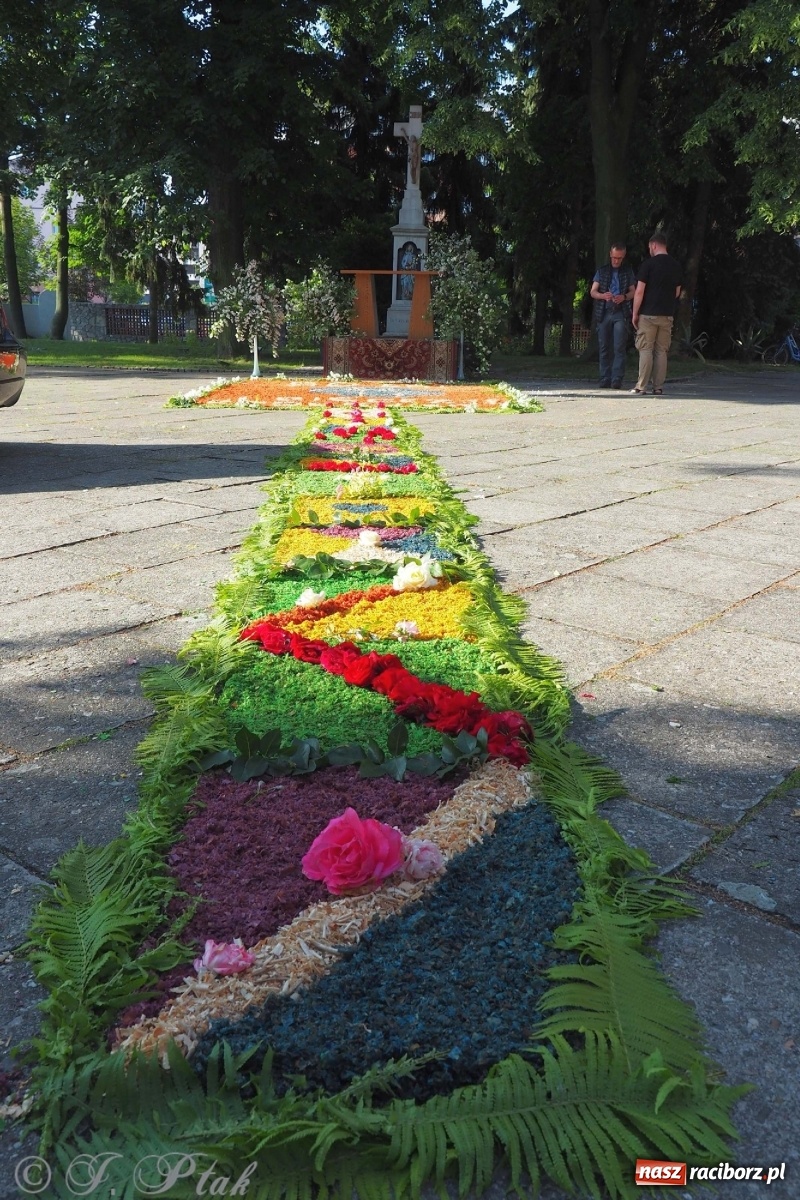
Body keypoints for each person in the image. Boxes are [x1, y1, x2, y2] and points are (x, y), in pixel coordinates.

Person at [631, 231, 683, 395]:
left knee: (645, 349)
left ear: (653, 245)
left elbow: (639, 292)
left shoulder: (648, 265)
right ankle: (658, 387)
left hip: (648, 314)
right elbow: (677, 292)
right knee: (661, 351)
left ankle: (641, 386)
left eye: (649, 247)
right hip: (667, 314)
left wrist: (635, 313)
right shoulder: (676, 265)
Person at [590, 244, 636, 388]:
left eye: (619, 258)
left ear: (623, 257)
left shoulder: (627, 272)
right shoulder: (602, 271)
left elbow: (633, 292)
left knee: (619, 347)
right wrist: (603, 296)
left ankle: (616, 379)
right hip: (604, 311)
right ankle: (605, 377)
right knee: (604, 346)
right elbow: (593, 292)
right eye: (615, 257)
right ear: (610, 254)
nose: (616, 261)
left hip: (620, 311)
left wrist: (624, 297)